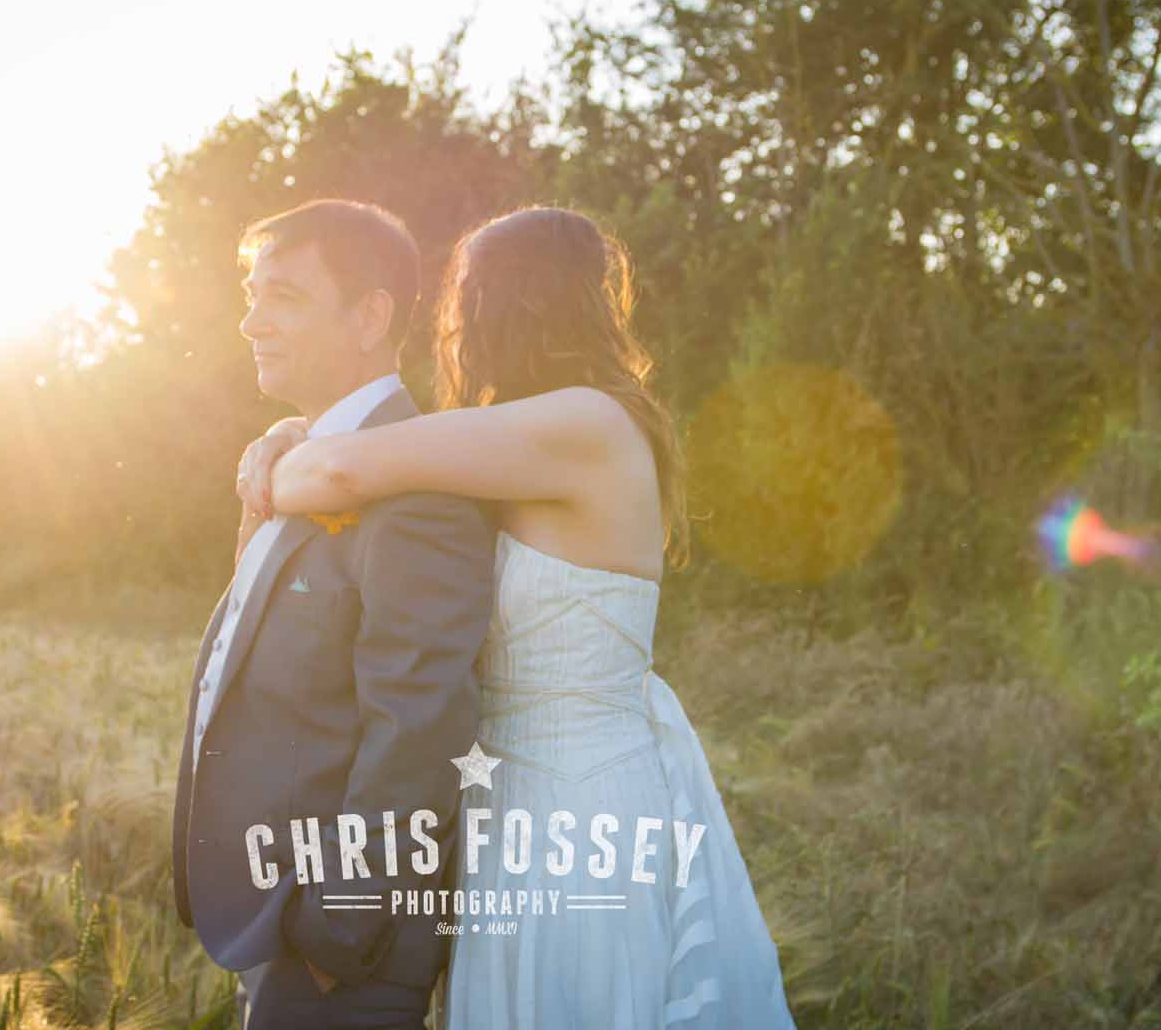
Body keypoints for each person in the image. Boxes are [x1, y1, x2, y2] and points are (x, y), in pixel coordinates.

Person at [238, 205, 797, 1028]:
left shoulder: (585, 423)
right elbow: (371, 454)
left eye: (467, 304)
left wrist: (266, 469)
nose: (457, 332)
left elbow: (351, 471)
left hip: (577, 805)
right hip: (512, 800)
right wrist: (292, 431)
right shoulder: (539, 435)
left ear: (509, 305)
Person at [171, 199, 496, 1030]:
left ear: (370, 316)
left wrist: (336, 929)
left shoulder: (417, 485)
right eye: (250, 294)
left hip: (343, 952)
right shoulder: (300, 458)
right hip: (275, 919)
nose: (250, 322)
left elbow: (420, 725)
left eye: (281, 297)